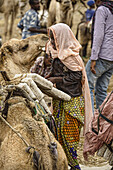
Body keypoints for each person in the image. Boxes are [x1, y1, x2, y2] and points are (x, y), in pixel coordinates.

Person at [45, 23, 93, 170]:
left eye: (54, 39)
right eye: (51, 39)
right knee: (57, 132)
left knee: (69, 135)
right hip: (60, 99)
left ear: (62, 38)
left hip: (72, 100)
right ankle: (64, 163)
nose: (52, 43)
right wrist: (48, 77)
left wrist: (56, 80)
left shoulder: (71, 56)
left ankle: (74, 165)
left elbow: (76, 76)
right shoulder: (55, 52)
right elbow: (55, 71)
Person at [86, 0, 113, 113]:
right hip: (111, 57)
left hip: (103, 55)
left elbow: (98, 35)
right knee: (102, 89)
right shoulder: (111, 8)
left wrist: (93, 58)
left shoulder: (102, 9)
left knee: (87, 86)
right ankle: (102, 122)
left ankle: (91, 119)